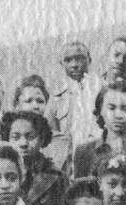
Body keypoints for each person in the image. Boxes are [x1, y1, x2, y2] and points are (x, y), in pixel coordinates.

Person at [0, 110, 69, 205]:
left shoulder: (57, 178)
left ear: (42, 140)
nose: (23, 144)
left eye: (30, 137)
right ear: (7, 139)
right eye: (15, 137)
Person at [45, 41, 103, 173]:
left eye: (80, 58)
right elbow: (51, 134)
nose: (74, 65)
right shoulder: (56, 98)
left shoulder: (102, 90)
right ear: (61, 64)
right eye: (68, 60)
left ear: (89, 60)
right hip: (70, 165)